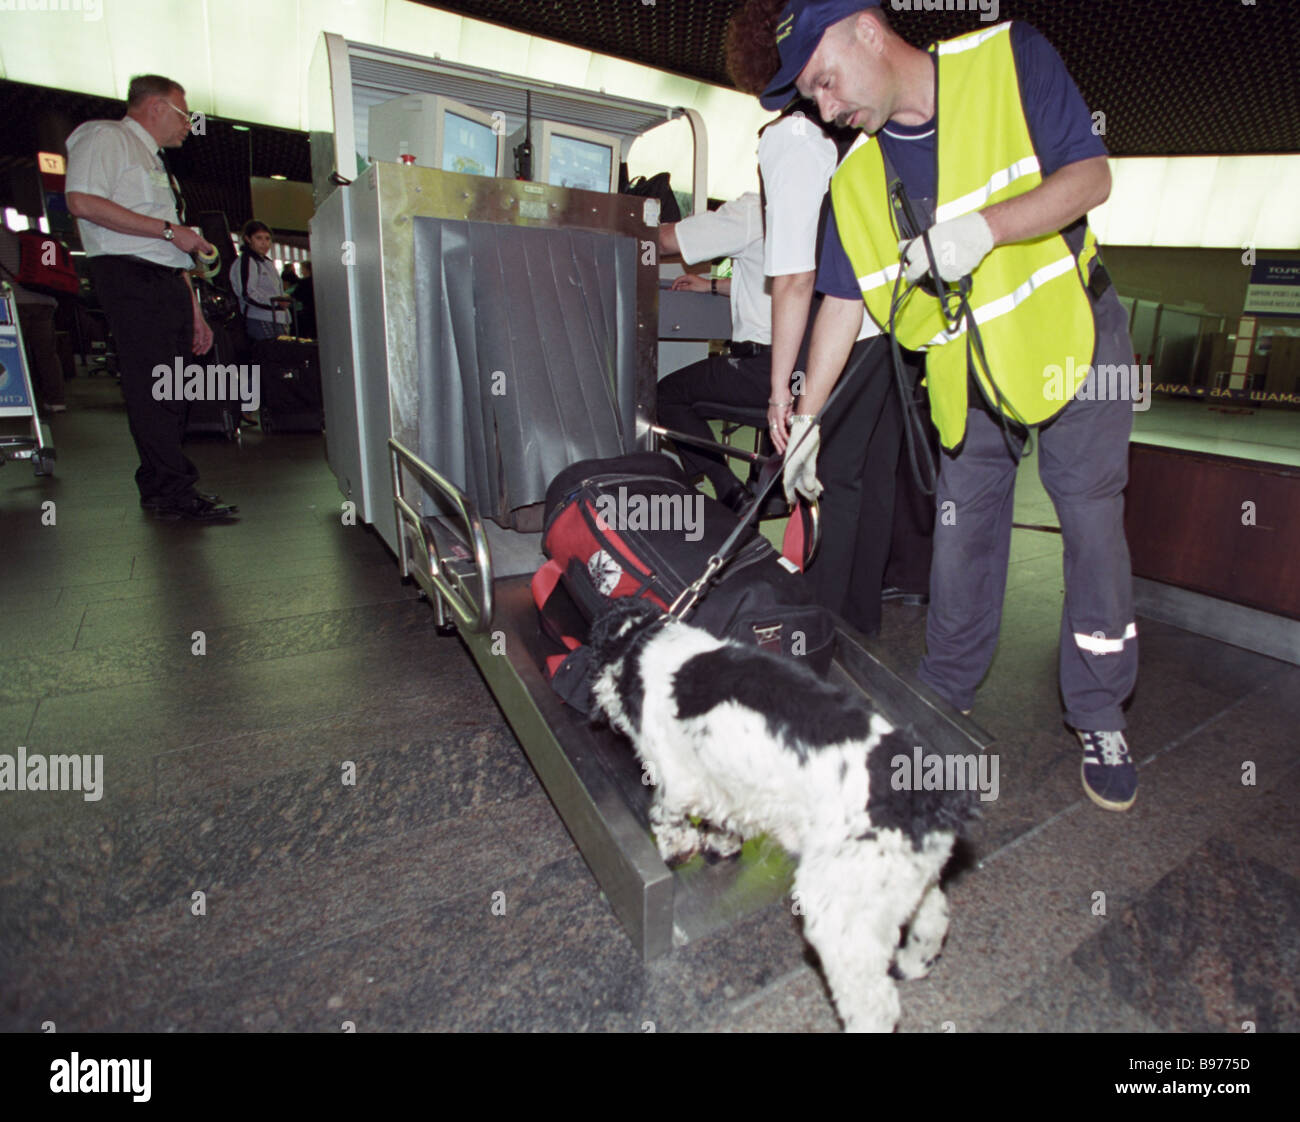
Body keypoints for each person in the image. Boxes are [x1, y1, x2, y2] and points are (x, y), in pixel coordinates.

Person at [760, 1, 1140, 810]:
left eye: (824, 81)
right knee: (962, 533)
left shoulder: (1008, 61)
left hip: (1072, 330)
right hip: (968, 365)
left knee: (1089, 521)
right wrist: (806, 417)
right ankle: (944, 694)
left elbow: (1091, 177)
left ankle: (1100, 709)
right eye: (810, 99)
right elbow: (842, 302)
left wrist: (985, 229)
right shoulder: (857, 176)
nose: (824, 107)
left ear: (868, 29)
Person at [727, 0, 918, 637]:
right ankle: (856, 622)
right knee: (866, 480)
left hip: (842, 331)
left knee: (826, 484)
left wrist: (783, 389)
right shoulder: (859, 132)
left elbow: (795, 276)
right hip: (891, 328)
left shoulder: (790, 138)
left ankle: (819, 628)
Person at [65, 73, 237, 521]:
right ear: (156, 107)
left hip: (166, 281)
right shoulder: (107, 137)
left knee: (173, 388)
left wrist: (195, 312)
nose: (188, 125)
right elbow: (82, 201)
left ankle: (169, 485)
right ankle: (169, 490)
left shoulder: (154, 161)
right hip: (129, 276)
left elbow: (172, 244)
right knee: (154, 386)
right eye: (184, 115)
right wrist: (167, 230)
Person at [656, 193, 773, 513]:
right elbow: (775, 283)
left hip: (764, 368)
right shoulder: (816, 209)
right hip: (803, 372)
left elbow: (667, 241)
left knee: (665, 395)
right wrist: (710, 285)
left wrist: (619, 223)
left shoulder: (754, 209)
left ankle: (728, 491)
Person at [0, 222, 67, 413]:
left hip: (14, 303)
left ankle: (18, 400)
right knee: (47, 354)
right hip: (44, 301)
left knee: (14, 353)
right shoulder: (32, 240)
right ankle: (56, 400)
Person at [231, 220, 290, 341]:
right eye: (259, 238)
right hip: (260, 319)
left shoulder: (266, 262)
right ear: (248, 239)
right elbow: (248, 294)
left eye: (267, 239)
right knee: (272, 357)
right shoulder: (247, 261)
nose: (264, 243)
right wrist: (276, 302)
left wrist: (282, 298)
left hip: (276, 318)